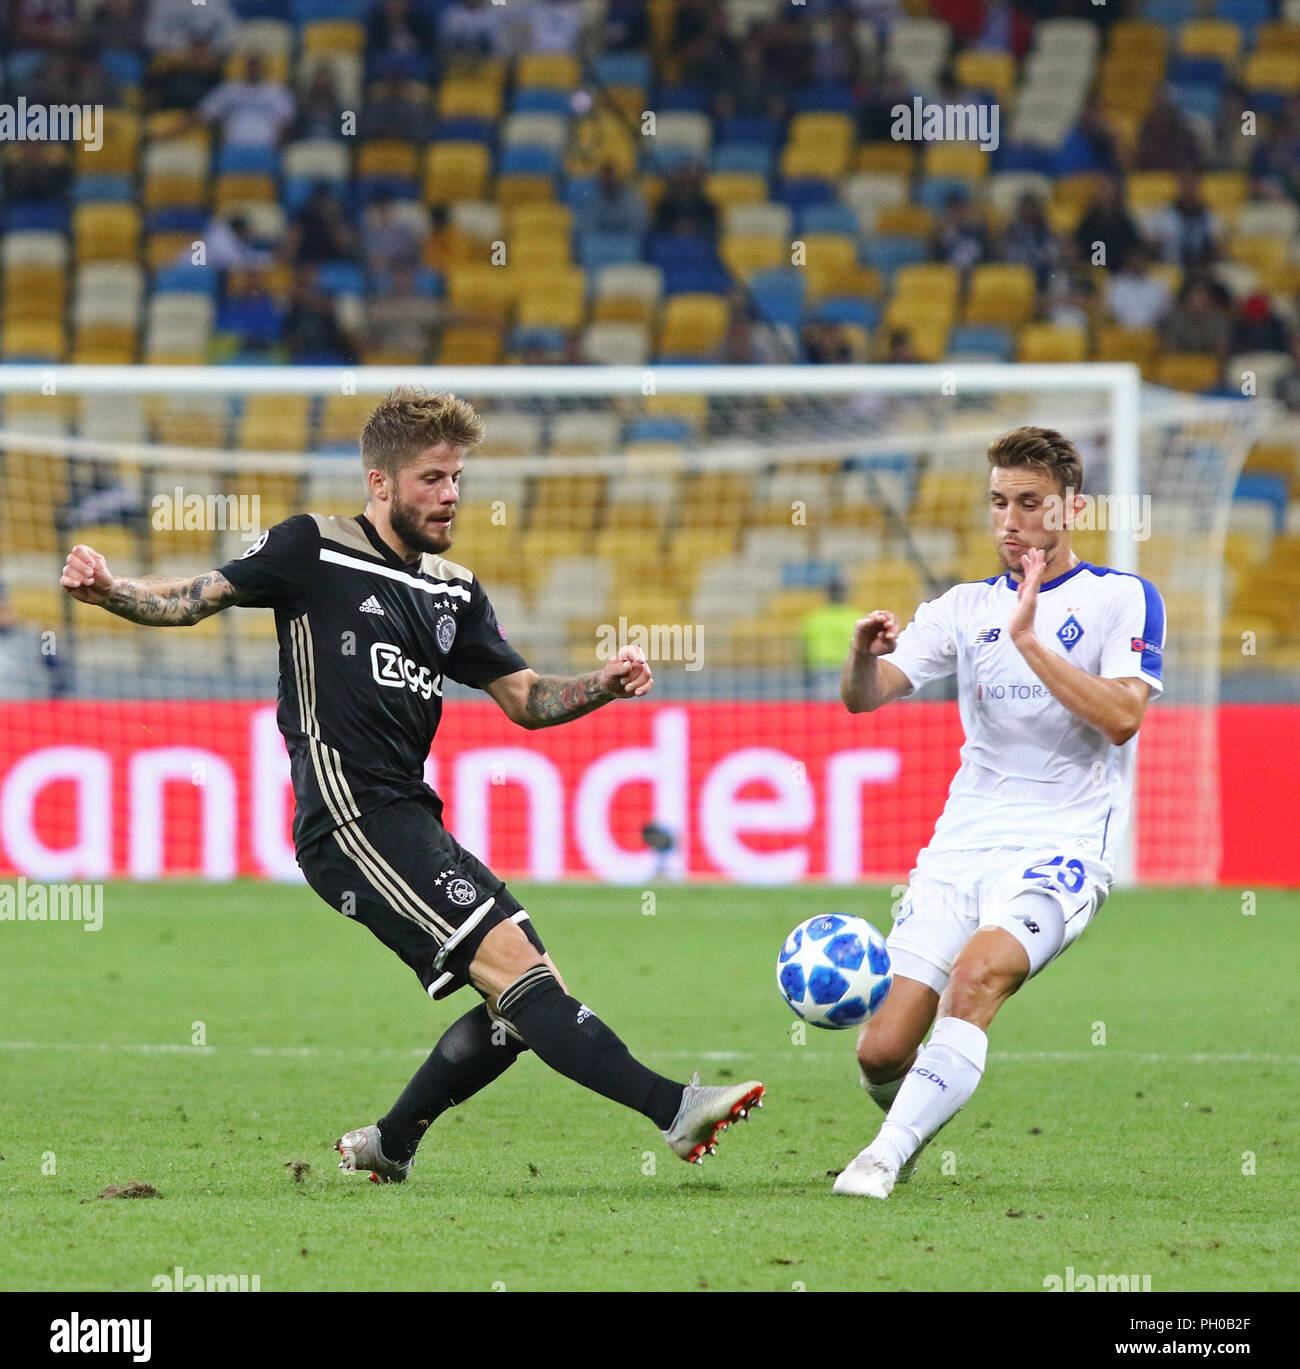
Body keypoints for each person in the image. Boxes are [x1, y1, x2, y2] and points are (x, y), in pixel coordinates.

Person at [60, 388, 764, 1182]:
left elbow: (527, 700)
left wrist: (598, 683)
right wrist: (110, 591)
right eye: (432, 478)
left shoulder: (452, 592)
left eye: (457, 477)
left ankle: (390, 1144)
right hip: (348, 817)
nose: (451, 493)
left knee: (531, 997)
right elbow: (197, 598)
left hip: (409, 814)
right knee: (520, 977)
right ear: (380, 482)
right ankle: (675, 1108)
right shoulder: (310, 550)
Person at [833, 425, 1165, 1198]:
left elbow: (1122, 717)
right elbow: (865, 699)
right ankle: (909, 1122)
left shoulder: (1120, 597)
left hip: (1063, 848)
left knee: (978, 978)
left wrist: (1030, 641)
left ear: (1070, 509)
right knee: (880, 1052)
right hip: (960, 847)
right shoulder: (961, 607)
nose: (1010, 521)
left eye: (1029, 503)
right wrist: (860, 653)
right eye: (997, 503)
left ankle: (880, 1156)